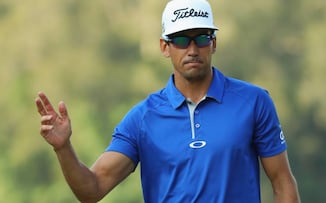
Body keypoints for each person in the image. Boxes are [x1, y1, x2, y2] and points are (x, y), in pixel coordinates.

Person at [35, 0, 300, 202]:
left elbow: (283, 183)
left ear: (214, 43)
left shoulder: (253, 102)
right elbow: (91, 190)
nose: (193, 49)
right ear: (165, 47)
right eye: (182, 40)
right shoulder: (142, 120)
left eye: (202, 38)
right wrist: (63, 148)